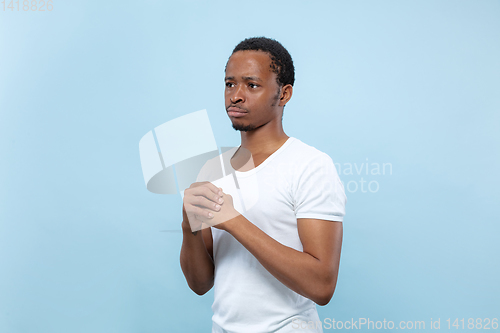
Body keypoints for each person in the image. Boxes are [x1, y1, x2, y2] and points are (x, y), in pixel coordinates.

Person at [180, 37, 346, 333]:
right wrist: (188, 227)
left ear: (284, 94)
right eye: (230, 84)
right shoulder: (211, 170)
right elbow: (200, 284)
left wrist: (233, 221)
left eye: (251, 85)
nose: (236, 96)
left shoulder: (310, 165)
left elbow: (322, 286)